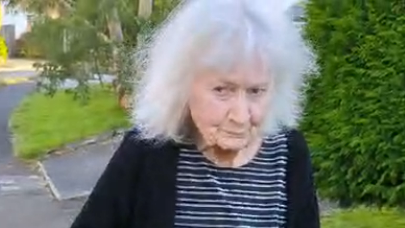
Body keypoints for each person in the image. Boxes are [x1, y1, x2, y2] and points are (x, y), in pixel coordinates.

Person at [71, 0, 319, 227]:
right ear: (182, 86)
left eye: (256, 91)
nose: (241, 116)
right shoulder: (147, 151)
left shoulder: (289, 154)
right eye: (222, 90)